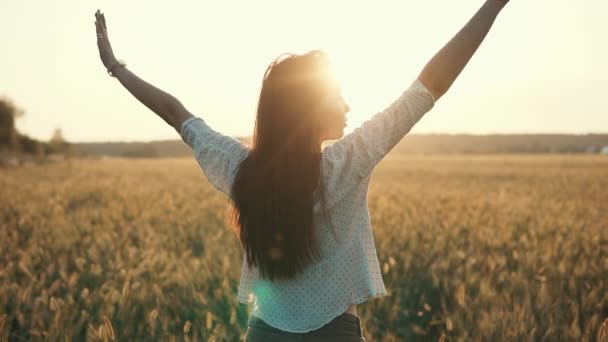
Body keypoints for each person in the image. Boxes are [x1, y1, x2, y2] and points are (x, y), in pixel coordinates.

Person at [94, 0, 510, 340]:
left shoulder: (242, 169)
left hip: (263, 334)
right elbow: (429, 86)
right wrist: (493, 6)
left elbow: (176, 114)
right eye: (337, 96)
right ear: (308, 111)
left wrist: (116, 68)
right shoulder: (347, 163)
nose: (347, 106)